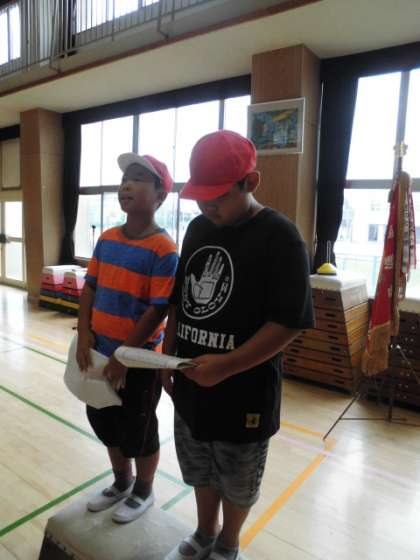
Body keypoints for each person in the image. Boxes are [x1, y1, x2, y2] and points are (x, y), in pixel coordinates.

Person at [162, 130, 314, 560]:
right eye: (200, 198)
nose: (207, 207)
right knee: (198, 466)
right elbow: (180, 300)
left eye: (218, 197)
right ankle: (203, 533)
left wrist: (227, 365)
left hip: (245, 392)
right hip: (191, 382)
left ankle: (228, 545)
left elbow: (289, 323)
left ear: (251, 182)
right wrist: (167, 356)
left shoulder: (281, 237)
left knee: (238, 478)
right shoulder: (197, 228)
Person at [76, 152, 178, 524]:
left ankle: (144, 490)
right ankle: (122, 481)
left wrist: (124, 354)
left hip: (137, 361)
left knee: (139, 428)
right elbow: (90, 287)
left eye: (137, 179)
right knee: (105, 421)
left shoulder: (164, 249)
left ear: (160, 196)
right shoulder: (106, 240)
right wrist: (84, 333)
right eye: (123, 180)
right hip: (100, 355)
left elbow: (158, 309)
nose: (126, 185)